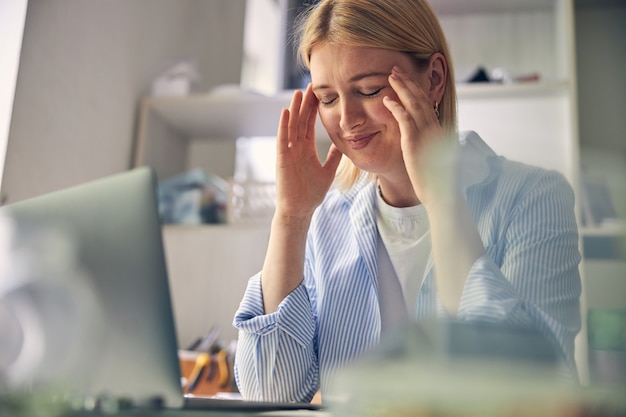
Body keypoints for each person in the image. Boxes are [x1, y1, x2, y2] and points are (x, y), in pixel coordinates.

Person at [233, 0, 582, 403]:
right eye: (327, 99)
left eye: (369, 90)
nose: (346, 120)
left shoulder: (532, 198)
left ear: (433, 79)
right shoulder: (327, 221)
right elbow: (270, 392)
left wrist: (440, 195)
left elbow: (532, 389)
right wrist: (291, 218)